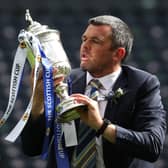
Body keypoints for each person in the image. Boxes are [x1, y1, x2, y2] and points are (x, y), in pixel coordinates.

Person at [21, 15, 167, 168]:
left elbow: (152, 146)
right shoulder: (64, 80)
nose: (85, 46)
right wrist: (37, 101)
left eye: (95, 41)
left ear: (118, 54)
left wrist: (101, 126)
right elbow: (31, 148)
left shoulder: (142, 84)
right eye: (84, 39)